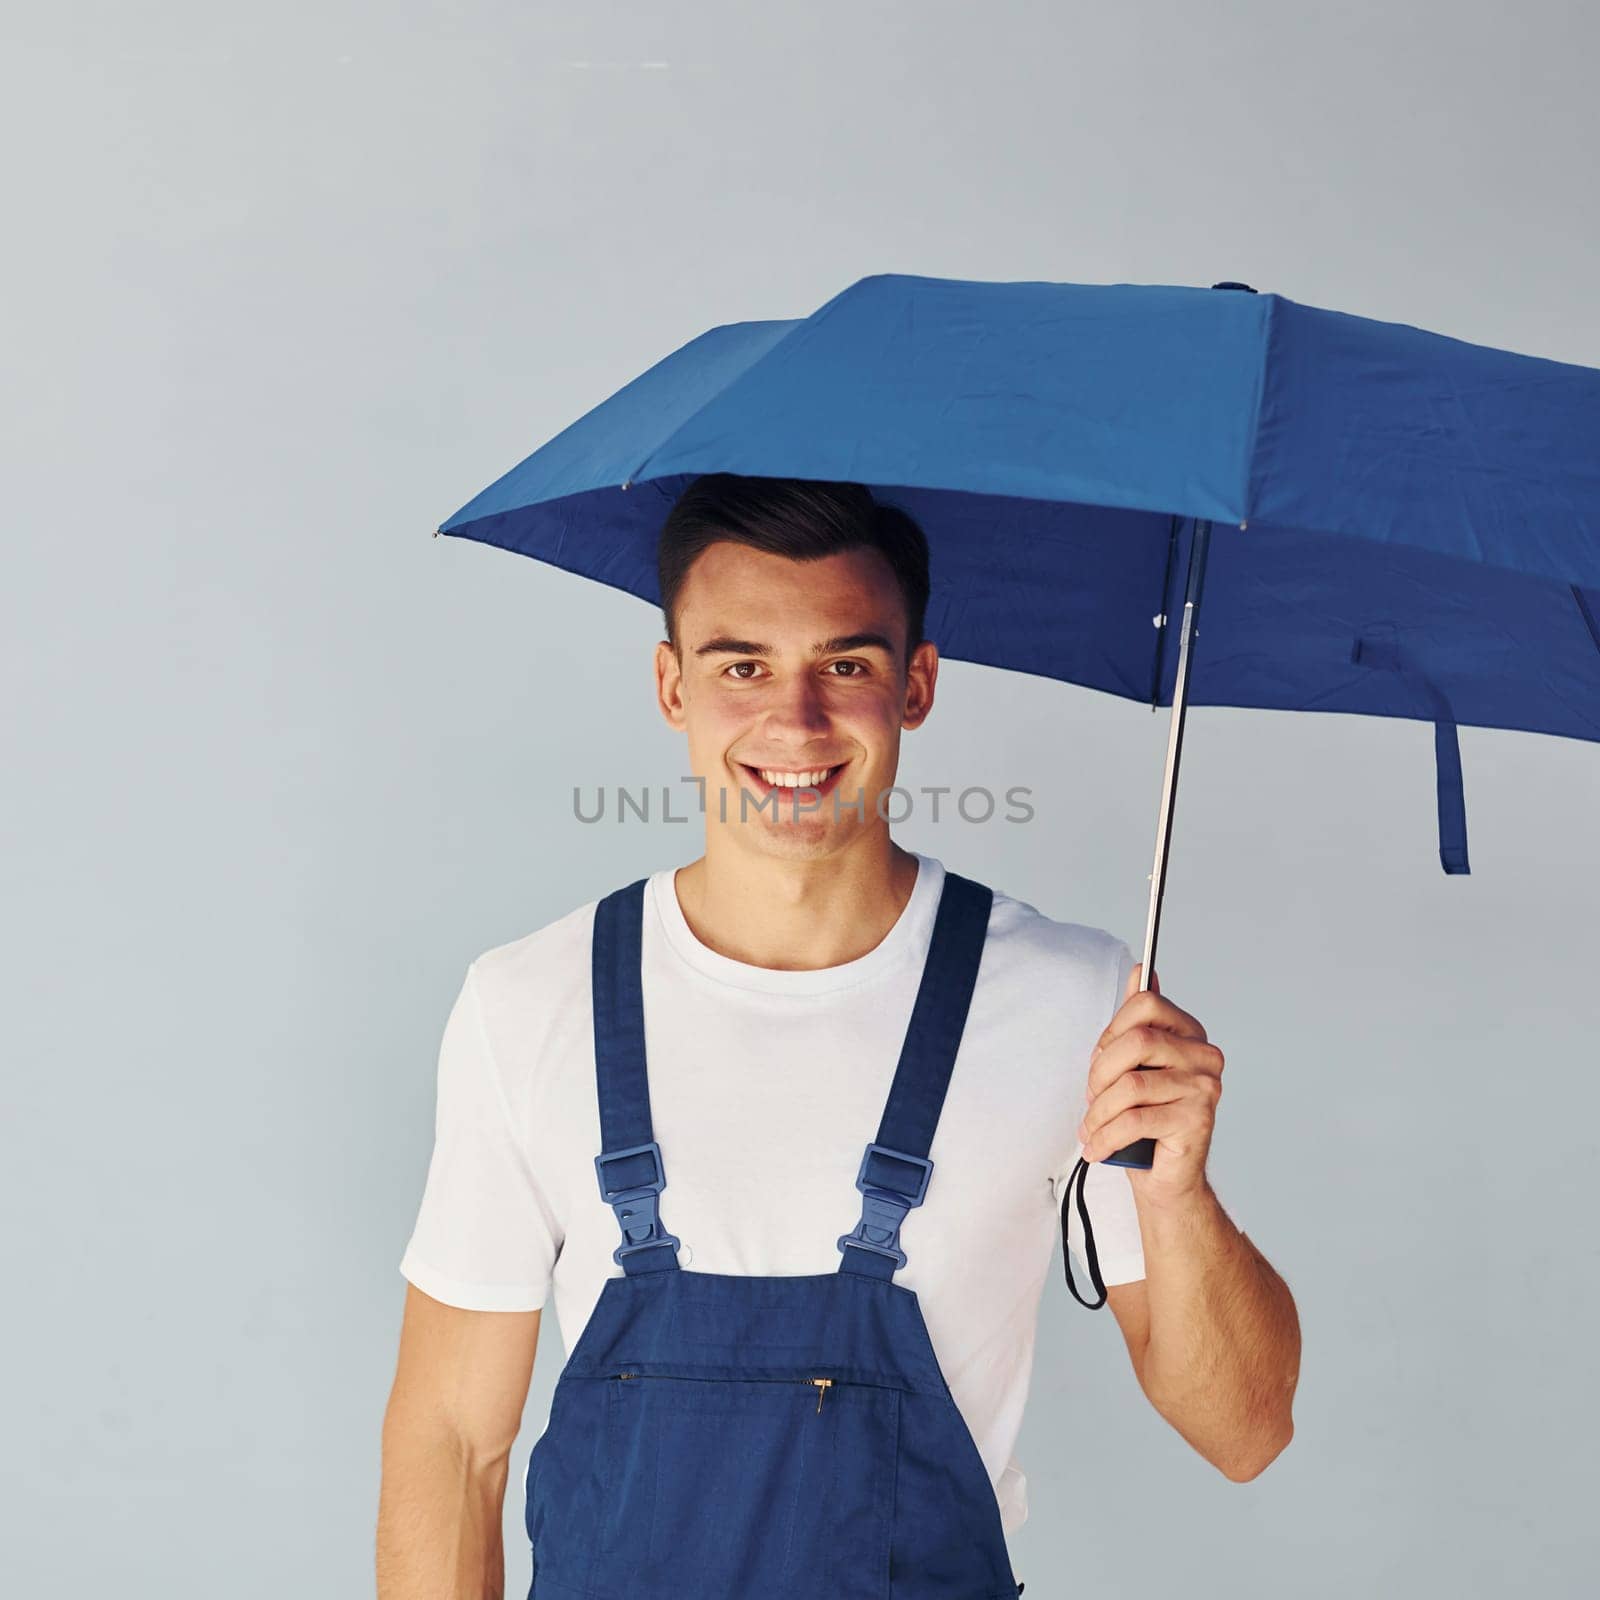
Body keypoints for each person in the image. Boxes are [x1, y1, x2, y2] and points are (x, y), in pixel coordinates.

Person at [376, 475, 1300, 1598]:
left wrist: (1178, 1195)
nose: (795, 721)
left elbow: (1245, 1431)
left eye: (845, 665)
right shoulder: (528, 1001)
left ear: (915, 685)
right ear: (673, 684)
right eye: (742, 665)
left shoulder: (1079, 1001)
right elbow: (449, 1442)